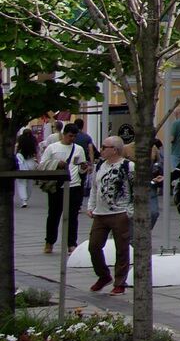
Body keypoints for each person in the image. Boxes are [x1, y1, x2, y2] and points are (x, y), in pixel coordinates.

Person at [84, 135, 134, 294]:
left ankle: (120, 282)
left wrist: (129, 210)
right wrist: (91, 206)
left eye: (105, 147)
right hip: (101, 213)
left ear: (115, 150)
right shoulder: (100, 165)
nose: (101, 150)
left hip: (120, 212)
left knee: (122, 248)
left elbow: (136, 188)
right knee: (94, 246)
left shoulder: (128, 166)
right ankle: (104, 276)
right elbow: (95, 187)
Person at [38, 122, 87, 253]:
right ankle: (49, 241)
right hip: (57, 186)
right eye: (70, 136)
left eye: (74, 136)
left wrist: (83, 168)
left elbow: (81, 168)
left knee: (72, 216)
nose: (72, 139)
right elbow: (42, 164)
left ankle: (71, 243)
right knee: (54, 215)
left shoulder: (78, 149)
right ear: (64, 134)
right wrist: (56, 163)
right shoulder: (52, 148)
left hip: (74, 185)